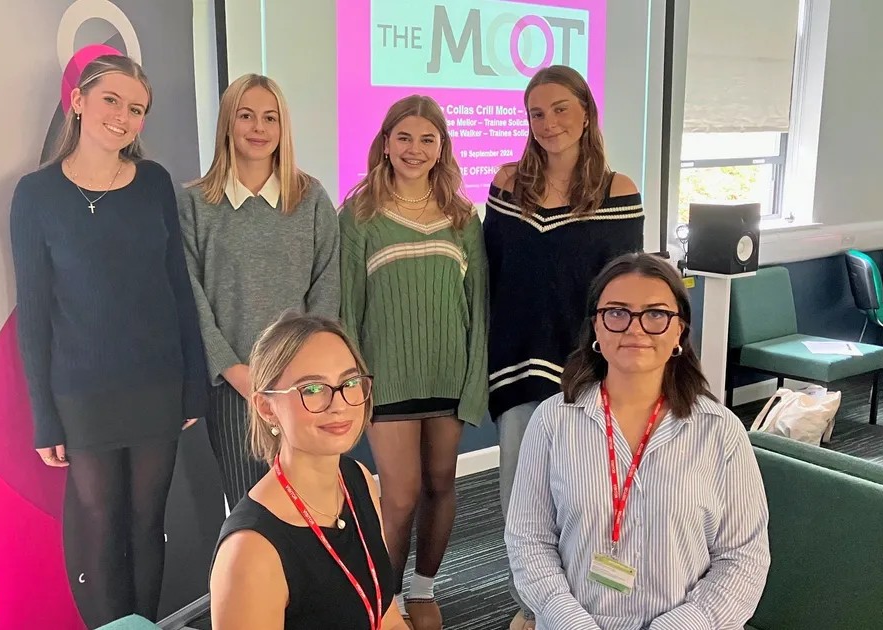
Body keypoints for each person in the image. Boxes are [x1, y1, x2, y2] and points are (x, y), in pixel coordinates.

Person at [9, 54, 209, 627]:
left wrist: (193, 386)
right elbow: (35, 315)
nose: (123, 117)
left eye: (137, 109)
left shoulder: (154, 183)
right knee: (99, 525)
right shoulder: (36, 194)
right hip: (84, 393)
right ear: (78, 101)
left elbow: (178, 288)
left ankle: (142, 623)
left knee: (148, 521)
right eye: (111, 101)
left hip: (157, 383)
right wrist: (44, 417)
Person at [505, 252, 770, 630]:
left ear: (680, 329)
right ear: (596, 326)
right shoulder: (553, 421)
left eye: (656, 314)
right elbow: (528, 540)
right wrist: (571, 622)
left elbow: (744, 559)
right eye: (617, 312)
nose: (635, 328)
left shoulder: (719, 431)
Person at [484, 65, 645, 630]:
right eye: (536, 113)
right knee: (521, 501)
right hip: (519, 363)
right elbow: (493, 275)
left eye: (559, 109)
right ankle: (531, 608)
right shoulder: (506, 184)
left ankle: (585, 608)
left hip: (589, 370)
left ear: (585, 111)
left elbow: (625, 290)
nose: (548, 123)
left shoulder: (618, 191)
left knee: (589, 501)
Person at [339, 94, 489, 630]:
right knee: (399, 497)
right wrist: (356, 385)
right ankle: (385, 597)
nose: (415, 149)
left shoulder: (462, 217)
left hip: (448, 380)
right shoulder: (358, 216)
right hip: (387, 383)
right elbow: (345, 312)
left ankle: (423, 589)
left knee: (441, 484)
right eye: (404, 137)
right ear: (385, 142)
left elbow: (479, 310)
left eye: (428, 139)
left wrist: (474, 386)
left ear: (442, 147)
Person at [179, 73, 340, 505]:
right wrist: (237, 373)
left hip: (303, 386)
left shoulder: (311, 199)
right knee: (251, 507)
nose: (258, 128)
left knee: (310, 506)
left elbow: (326, 292)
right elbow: (190, 296)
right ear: (228, 124)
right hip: (235, 389)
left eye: (270, 118)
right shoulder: (194, 204)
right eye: (246, 116)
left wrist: (309, 377)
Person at [209, 312, 411, 630]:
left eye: (350, 382)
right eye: (313, 389)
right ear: (266, 407)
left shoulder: (357, 479)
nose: (339, 404)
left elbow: (386, 616)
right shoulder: (250, 551)